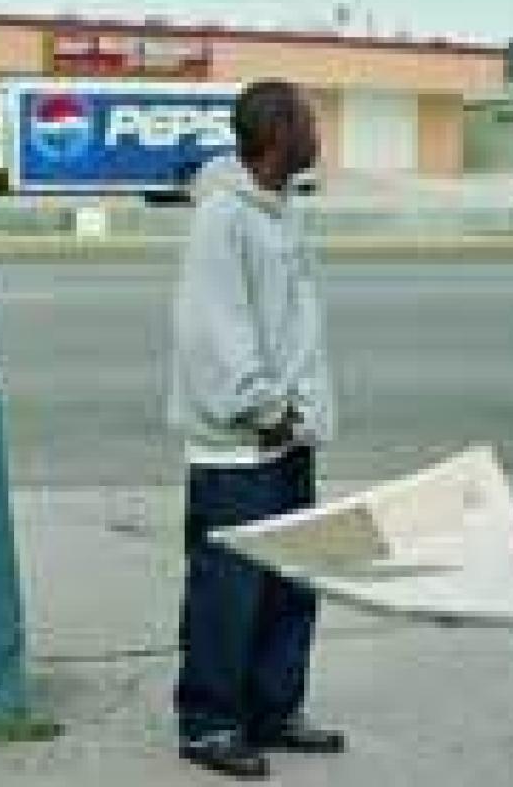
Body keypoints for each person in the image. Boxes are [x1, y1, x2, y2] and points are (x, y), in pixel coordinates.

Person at [167, 81, 344, 780]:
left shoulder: (284, 211)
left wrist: (298, 417)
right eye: (309, 120)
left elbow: (293, 329)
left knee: (290, 581)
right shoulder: (224, 219)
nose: (318, 133)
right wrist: (264, 411)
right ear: (278, 133)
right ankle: (209, 723)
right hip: (240, 447)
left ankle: (274, 709)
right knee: (228, 591)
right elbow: (216, 332)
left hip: (289, 434)